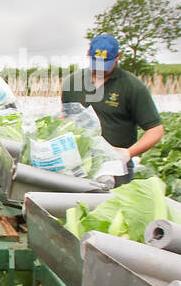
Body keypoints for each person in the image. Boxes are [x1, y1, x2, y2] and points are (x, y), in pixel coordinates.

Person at [62, 33, 164, 184]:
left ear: (118, 56)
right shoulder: (72, 82)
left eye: (106, 63)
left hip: (115, 167)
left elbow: (156, 130)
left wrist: (128, 153)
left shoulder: (132, 87)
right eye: (97, 63)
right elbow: (65, 117)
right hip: (77, 164)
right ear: (88, 55)